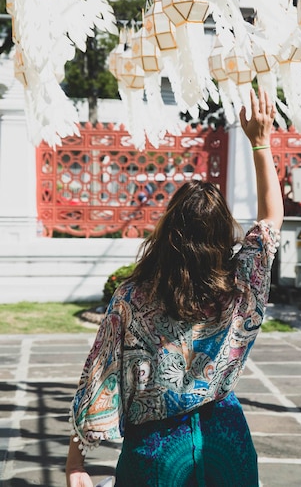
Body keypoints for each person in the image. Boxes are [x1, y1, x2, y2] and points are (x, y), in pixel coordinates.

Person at [66, 87, 284, 487]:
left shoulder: (132, 297)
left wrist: (76, 461)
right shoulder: (241, 285)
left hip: (157, 453)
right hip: (225, 444)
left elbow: (101, 373)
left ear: (168, 233)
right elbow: (272, 217)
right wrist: (260, 142)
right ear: (223, 235)